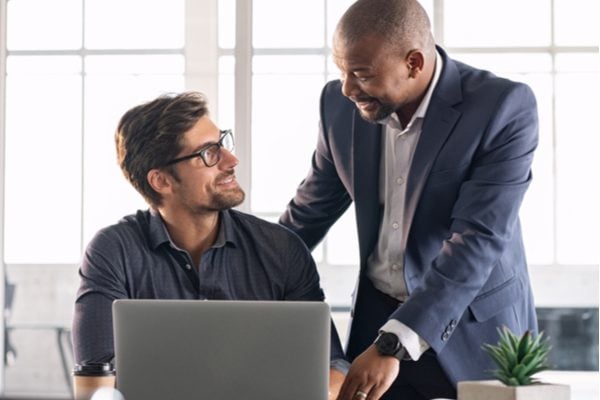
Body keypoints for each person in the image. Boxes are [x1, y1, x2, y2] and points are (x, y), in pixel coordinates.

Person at [279, 0, 539, 399]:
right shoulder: (338, 106)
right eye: (342, 71)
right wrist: (236, 261)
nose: (348, 89)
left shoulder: (501, 107)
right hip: (375, 325)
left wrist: (395, 344)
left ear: (414, 63)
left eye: (361, 74)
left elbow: (478, 238)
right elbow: (307, 215)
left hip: (472, 329)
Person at [72, 91, 348, 398]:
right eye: (208, 153)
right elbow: (95, 382)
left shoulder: (282, 249)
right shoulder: (113, 251)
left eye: (223, 143)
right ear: (161, 181)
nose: (231, 161)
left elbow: (332, 367)